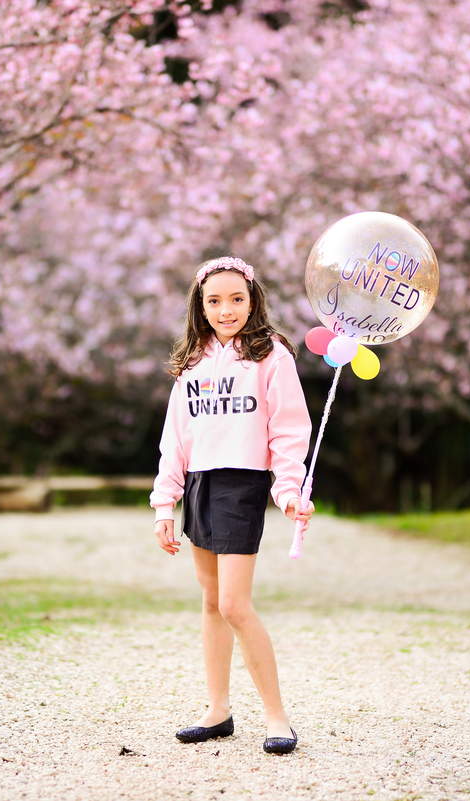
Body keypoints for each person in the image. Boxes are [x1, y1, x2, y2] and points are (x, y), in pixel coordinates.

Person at [150, 255, 314, 755]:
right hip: (198, 484)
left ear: (252, 300)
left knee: (234, 604)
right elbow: (175, 439)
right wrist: (164, 505)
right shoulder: (190, 363)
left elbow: (288, 429)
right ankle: (218, 710)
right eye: (215, 301)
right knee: (209, 601)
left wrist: (287, 490)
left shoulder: (272, 356)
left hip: (241, 486)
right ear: (201, 306)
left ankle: (278, 718)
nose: (226, 310)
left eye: (236, 299)